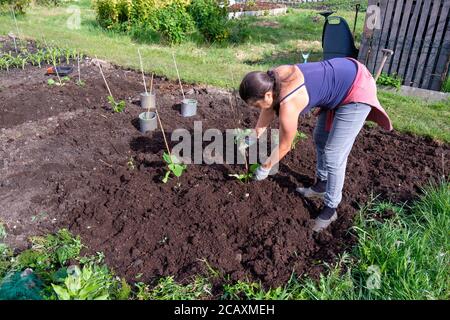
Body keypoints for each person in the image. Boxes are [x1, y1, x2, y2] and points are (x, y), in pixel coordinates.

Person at [239, 57, 392, 232]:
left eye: (255, 105)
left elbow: (285, 145)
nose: (256, 109)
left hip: (356, 87)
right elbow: (268, 108)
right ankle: (321, 185)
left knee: (334, 154)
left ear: (267, 95)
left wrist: (264, 168)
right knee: (320, 137)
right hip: (340, 79)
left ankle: (330, 209)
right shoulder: (272, 79)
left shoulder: (289, 104)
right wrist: (254, 135)